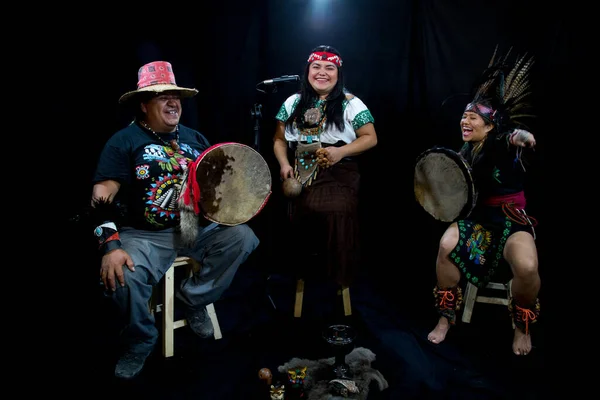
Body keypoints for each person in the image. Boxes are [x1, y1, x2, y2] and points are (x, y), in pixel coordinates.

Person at [90, 60, 259, 379]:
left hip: (195, 227)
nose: (172, 102)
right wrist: (110, 245)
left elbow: (217, 187)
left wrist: (229, 203)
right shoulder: (124, 141)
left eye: (175, 95)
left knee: (243, 238)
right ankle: (140, 340)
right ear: (143, 105)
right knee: (119, 277)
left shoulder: (196, 138)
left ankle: (193, 300)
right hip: (143, 235)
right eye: (161, 96)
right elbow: (102, 192)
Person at [425, 49, 541, 356]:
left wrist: (523, 137)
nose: (464, 120)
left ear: (489, 126)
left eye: (472, 117)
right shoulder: (463, 154)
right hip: (477, 221)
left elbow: (513, 138)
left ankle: (522, 325)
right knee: (446, 246)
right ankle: (446, 316)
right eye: (463, 115)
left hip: (510, 220)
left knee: (527, 267)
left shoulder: (500, 144)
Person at [272, 45, 377, 290]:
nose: (322, 72)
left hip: (338, 173)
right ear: (307, 71)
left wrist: (340, 152)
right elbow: (278, 139)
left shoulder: (351, 103)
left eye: (330, 68)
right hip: (300, 171)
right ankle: (304, 273)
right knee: (298, 216)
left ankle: (337, 278)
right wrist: (284, 164)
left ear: (338, 74)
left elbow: (370, 137)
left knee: (336, 211)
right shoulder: (292, 102)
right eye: (316, 67)